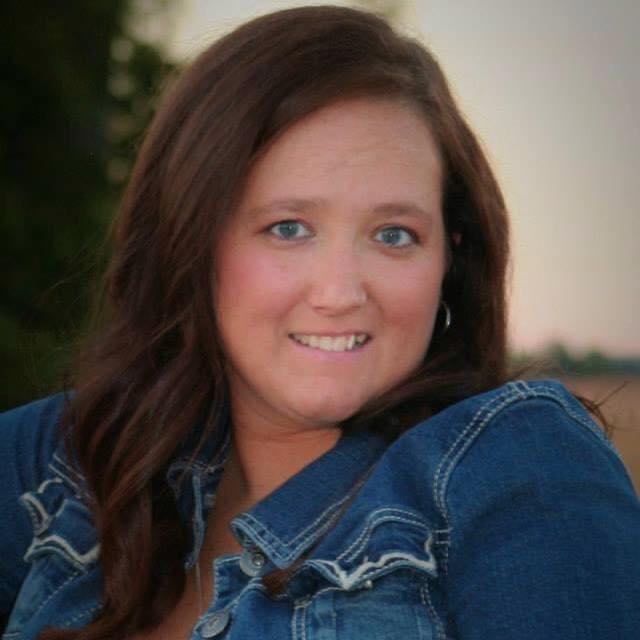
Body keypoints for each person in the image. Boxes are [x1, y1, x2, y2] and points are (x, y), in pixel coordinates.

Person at [1, 5, 639, 640]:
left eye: (394, 234)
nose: (339, 293)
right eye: (288, 228)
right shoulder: (63, 464)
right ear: (190, 242)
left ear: (452, 256)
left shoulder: (513, 465)